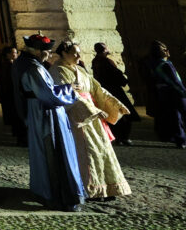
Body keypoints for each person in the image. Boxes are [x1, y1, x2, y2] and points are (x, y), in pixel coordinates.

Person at [12, 34, 88, 210]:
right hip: (45, 113)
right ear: (37, 51)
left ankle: (46, 191)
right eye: (46, 51)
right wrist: (69, 89)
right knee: (54, 151)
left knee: (45, 151)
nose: (48, 55)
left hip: (36, 110)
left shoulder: (24, 64)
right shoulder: (33, 68)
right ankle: (59, 194)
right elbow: (48, 94)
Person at [51, 41, 131, 200]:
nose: (78, 56)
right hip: (78, 117)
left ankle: (108, 188)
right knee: (88, 153)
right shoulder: (56, 71)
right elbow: (69, 96)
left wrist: (115, 104)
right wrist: (93, 110)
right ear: (63, 53)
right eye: (75, 53)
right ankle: (91, 189)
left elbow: (97, 89)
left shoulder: (80, 69)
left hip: (94, 117)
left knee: (102, 150)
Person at [140, 40, 186, 149]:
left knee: (175, 118)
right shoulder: (166, 65)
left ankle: (181, 141)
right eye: (164, 50)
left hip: (164, 94)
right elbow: (176, 82)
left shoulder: (153, 65)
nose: (167, 51)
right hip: (176, 94)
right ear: (158, 52)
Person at [91, 43, 139, 145]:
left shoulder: (95, 61)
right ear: (104, 49)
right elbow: (117, 76)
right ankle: (124, 138)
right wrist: (126, 81)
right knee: (124, 113)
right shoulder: (107, 61)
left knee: (112, 114)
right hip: (115, 90)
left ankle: (117, 138)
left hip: (106, 91)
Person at [0, 45, 27, 146]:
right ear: (8, 55)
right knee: (17, 118)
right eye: (13, 53)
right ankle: (21, 140)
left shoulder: (13, 65)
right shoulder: (8, 66)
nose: (15, 55)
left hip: (13, 95)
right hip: (12, 96)